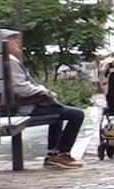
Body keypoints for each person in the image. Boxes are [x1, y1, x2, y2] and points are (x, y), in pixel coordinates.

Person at [5, 34, 84, 170]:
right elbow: (21, 88)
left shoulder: (5, 60)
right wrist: (45, 91)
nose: (17, 42)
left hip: (17, 106)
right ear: (5, 43)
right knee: (77, 115)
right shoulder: (9, 61)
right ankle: (62, 153)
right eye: (13, 40)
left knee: (57, 111)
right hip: (24, 108)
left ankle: (53, 154)